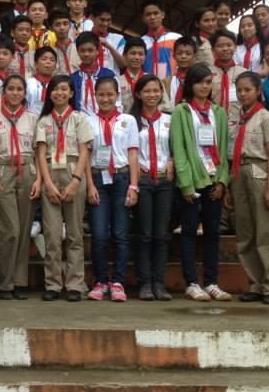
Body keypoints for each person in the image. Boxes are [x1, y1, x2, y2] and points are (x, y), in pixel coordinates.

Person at [170, 64, 232, 302]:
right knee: (188, 232)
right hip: (192, 180)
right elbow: (180, 149)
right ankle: (192, 282)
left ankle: (211, 281)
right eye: (199, 82)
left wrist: (223, 181)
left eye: (208, 82)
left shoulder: (219, 112)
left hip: (214, 178)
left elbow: (224, 148)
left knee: (212, 233)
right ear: (190, 85)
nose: (204, 87)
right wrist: (185, 183)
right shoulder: (182, 111)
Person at [226, 72, 269, 304]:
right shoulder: (235, 118)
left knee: (266, 233)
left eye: (247, 89)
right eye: (239, 90)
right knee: (245, 233)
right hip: (239, 173)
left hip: (259, 172)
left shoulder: (266, 118)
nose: (242, 94)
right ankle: (255, 283)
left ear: (258, 90)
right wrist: (230, 184)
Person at [35, 76, 92, 302]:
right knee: (52, 235)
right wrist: (47, 184)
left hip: (72, 172)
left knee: (75, 234)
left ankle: (75, 284)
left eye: (64, 89)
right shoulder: (44, 121)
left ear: (71, 93)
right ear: (49, 94)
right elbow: (40, 153)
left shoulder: (79, 119)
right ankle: (53, 283)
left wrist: (76, 180)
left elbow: (85, 151)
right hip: (51, 173)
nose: (60, 93)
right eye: (55, 89)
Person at [85, 77, 139, 303]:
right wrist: (89, 184)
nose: (105, 99)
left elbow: (133, 153)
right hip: (98, 179)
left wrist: (134, 185)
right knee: (99, 234)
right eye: (101, 95)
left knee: (120, 233)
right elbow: (85, 155)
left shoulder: (128, 120)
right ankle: (100, 281)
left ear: (117, 95)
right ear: (95, 96)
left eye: (110, 94)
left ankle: (117, 281)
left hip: (121, 177)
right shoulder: (87, 120)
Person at [0, 75, 39, 300]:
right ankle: (5, 282)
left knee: (25, 228)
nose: (16, 93)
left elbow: (39, 151)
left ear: (24, 93)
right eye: (11, 89)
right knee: (10, 230)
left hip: (27, 170)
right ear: (4, 92)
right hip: (3, 170)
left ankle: (20, 281)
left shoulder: (33, 118)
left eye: (20, 89)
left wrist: (38, 179)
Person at [130, 75, 174, 301]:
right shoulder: (130, 121)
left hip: (165, 183)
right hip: (144, 181)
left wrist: (173, 161)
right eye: (147, 91)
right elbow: (128, 150)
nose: (152, 95)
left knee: (161, 234)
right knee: (145, 234)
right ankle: (145, 283)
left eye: (156, 90)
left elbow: (177, 148)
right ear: (138, 94)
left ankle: (159, 282)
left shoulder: (169, 119)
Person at [71, 31, 117, 120]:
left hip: (106, 121)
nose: (86, 54)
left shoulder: (109, 75)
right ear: (77, 51)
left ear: (97, 51)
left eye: (90, 50)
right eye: (82, 50)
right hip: (80, 123)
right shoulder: (72, 79)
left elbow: (118, 103)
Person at [141, 0, 181, 78]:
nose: (152, 17)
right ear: (143, 18)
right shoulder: (141, 42)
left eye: (156, 13)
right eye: (148, 14)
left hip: (172, 85)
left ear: (163, 14)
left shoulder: (176, 38)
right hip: (149, 86)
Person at [210, 30, 246, 118]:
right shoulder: (207, 73)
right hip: (213, 119)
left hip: (238, 121)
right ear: (213, 49)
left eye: (229, 45)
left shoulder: (245, 73)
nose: (225, 49)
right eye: (220, 46)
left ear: (235, 47)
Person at [162, 36, 196, 111]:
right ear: (174, 55)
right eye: (180, 53)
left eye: (188, 54)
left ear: (194, 56)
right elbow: (163, 107)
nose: (183, 56)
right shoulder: (166, 82)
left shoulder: (199, 80)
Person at [90, 1, 126, 71]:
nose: (105, 24)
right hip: (89, 81)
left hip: (112, 80)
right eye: (102, 20)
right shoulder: (83, 38)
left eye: (108, 20)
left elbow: (124, 64)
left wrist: (109, 47)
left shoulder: (119, 39)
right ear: (92, 18)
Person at [118, 37, 147, 114]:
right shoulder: (116, 81)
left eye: (141, 54)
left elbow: (163, 106)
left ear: (145, 57)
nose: (137, 57)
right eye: (133, 53)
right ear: (124, 55)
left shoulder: (153, 81)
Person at [26, 46, 58, 114]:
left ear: (55, 66)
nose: (48, 62)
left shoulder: (57, 85)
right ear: (35, 64)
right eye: (44, 59)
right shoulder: (27, 83)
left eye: (52, 60)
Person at [49, 8, 80, 76]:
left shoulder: (79, 49)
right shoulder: (49, 53)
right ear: (51, 28)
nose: (62, 28)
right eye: (57, 25)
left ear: (70, 25)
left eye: (65, 24)